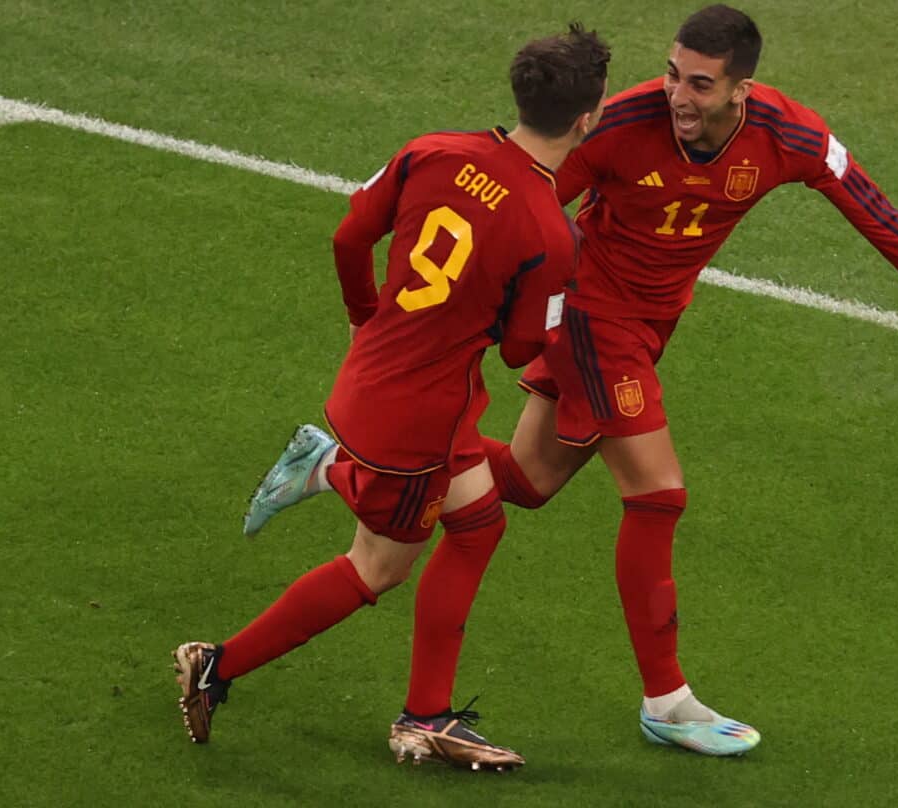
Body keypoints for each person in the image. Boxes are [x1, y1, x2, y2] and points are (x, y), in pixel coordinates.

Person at [411, 4, 898, 758]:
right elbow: (529, 210)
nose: (678, 95)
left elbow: (872, 209)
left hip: (648, 326)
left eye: (700, 84)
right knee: (658, 494)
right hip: (589, 314)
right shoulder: (617, 124)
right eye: (674, 73)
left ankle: (358, 463)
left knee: (528, 481)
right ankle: (667, 701)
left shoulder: (788, 135)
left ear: (743, 87)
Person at [171, 24, 611, 772]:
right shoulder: (549, 231)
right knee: (376, 566)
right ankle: (218, 664)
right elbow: (517, 351)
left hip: (370, 378)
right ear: (586, 119)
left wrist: (360, 317)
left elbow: (350, 238)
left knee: (477, 526)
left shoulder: (432, 150)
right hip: (416, 430)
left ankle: (427, 713)